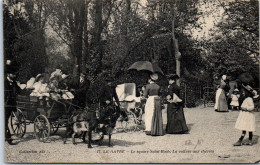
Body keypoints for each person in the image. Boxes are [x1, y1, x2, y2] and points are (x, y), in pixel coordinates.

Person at [5, 60, 20, 145]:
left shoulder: (14, 82)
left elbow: (19, 90)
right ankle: (8, 138)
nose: (14, 75)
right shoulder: (3, 82)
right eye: (12, 74)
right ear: (8, 74)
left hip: (11, 104)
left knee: (6, 120)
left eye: (14, 74)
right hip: (5, 104)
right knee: (4, 120)